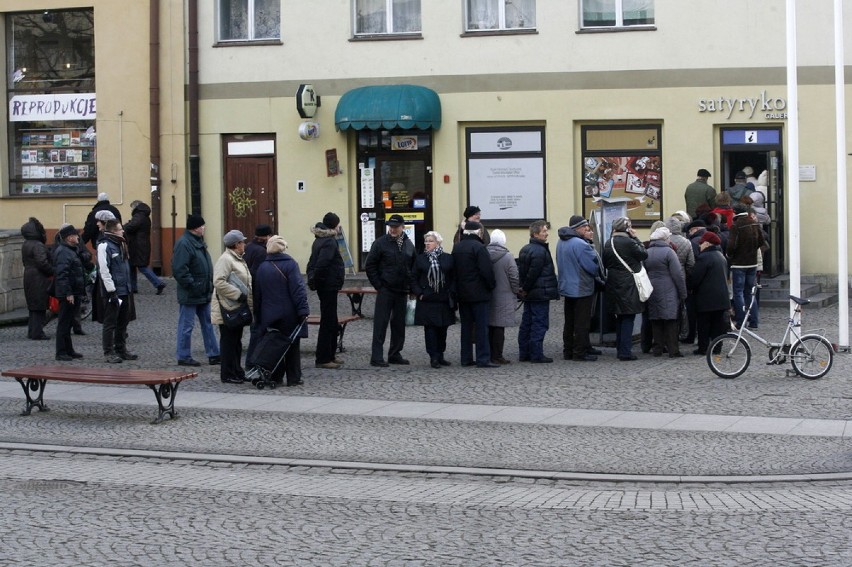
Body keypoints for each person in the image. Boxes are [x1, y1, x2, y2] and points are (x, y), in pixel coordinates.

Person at [254, 235, 309, 386]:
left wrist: (258, 315)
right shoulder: (290, 264)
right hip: (288, 313)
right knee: (292, 345)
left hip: (269, 313)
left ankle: (275, 375)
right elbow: (298, 289)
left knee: (274, 345)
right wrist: (303, 309)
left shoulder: (262, 267)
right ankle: (294, 377)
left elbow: (257, 294)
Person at [365, 214, 416, 367]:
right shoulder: (380, 243)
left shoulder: (408, 244)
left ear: (403, 227)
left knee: (399, 324)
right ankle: (377, 357)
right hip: (386, 289)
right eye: (391, 226)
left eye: (396, 227)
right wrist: (379, 285)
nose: (393, 229)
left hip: (402, 290)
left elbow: (412, 266)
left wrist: (411, 287)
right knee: (380, 324)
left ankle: (395, 353)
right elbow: (370, 266)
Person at [171, 214, 220, 367]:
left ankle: (214, 353)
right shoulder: (184, 244)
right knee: (186, 326)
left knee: (208, 323)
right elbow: (180, 270)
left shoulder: (197, 242)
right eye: (203, 226)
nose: (204, 228)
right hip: (191, 292)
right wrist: (192, 285)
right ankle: (183, 355)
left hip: (202, 291)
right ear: (196, 228)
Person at [556, 215, 605, 362]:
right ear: (578, 228)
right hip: (581, 287)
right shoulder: (581, 244)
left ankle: (568, 351)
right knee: (582, 322)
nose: (588, 229)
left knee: (569, 321)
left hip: (567, 286)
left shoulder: (561, 241)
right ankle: (580, 352)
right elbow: (592, 266)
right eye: (585, 227)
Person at [453, 221, 497, 367]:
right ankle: (483, 358)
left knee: (466, 327)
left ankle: (466, 358)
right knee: (481, 327)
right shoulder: (479, 248)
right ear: (478, 233)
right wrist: (491, 286)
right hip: (479, 293)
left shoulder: (457, 247)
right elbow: (486, 271)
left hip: (462, 293)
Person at [602, 217, 647, 361]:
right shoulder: (629, 242)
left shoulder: (609, 243)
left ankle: (620, 348)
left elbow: (605, 262)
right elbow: (643, 254)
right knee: (628, 316)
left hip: (613, 282)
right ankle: (625, 351)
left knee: (620, 316)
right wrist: (636, 238)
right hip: (628, 283)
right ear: (627, 228)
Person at [211, 230, 253, 384]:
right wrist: (238, 294)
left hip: (236, 307)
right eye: (242, 242)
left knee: (236, 342)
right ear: (236, 244)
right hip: (228, 307)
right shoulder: (226, 259)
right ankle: (227, 373)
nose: (244, 244)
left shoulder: (237, 259)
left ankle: (237, 371)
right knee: (229, 342)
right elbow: (219, 281)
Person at [94, 219, 137, 363]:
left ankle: (121, 349)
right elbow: (104, 271)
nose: (122, 231)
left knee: (123, 322)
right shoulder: (104, 246)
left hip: (125, 289)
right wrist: (111, 291)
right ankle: (108, 352)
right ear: (113, 231)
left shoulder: (121, 244)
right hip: (113, 291)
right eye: (120, 229)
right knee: (110, 322)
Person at [411, 231, 456, 368]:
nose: (427, 244)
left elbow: (454, 277)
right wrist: (420, 293)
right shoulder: (420, 259)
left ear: (438, 243)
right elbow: (413, 278)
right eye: (426, 241)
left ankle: (441, 354)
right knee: (430, 330)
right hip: (427, 300)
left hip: (443, 299)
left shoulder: (448, 258)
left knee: (443, 329)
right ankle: (433, 357)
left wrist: (452, 292)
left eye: (430, 241)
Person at [306, 213, 345, 369]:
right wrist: (319, 282)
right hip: (328, 285)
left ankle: (330, 354)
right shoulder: (329, 242)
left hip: (326, 285)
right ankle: (323, 358)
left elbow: (313, 263)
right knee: (328, 321)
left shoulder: (320, 239)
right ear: (334, 225)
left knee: (331, 320)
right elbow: (322, 264)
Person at [517, 220, 559, 363]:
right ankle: (536, 354)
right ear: (536, 234)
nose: (547, 234)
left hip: (531, 293)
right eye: (544, 231)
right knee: (539, 323)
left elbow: (522, 272)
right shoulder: (540, 251)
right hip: (540, 293)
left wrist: (523, 289)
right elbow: (532, 274)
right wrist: (526, 289)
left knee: (527, 323)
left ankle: (524, 353)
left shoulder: (525, 248)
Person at [644, 227, 687, 358]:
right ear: (665, 239)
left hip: (651, 288)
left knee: (655, 319)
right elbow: (677, 274)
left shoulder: (647, 252)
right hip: (668, 289)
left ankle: (657, 349)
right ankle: (673, 350)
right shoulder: (669, 252)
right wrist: (683, 292)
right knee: (670, 320)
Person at [688, 231, 730, 355]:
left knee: (703, 325)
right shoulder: (720, 256)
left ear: (706, 243)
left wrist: (689, 285)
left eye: (701, 244)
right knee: (718, 325)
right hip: (721, 298)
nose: (700, 246)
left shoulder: (704, 258)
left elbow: (696, 278)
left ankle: (703, 348)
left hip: (706, 298)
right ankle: (717, 347)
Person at [727, 204, 767, 329]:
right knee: (749, 292)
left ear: (735, 212)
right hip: (753, 263)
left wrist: (730, 255)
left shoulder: (736, 226)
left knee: (738, 293)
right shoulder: (754, 223)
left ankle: (740, 321)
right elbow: (761, 242)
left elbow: (732, 246)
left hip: (739, 263)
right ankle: (754, 321)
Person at [52, 225, 86, 361]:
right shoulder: (64, 252)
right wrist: (68, 293)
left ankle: (69, 350)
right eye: (76, 235)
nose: (78, 237)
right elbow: (62, 275)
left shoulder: (71, 250)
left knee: (69, 322)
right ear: (69, 238)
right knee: (64, 323)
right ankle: (61, 352)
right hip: (68, 293)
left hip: (74, 291)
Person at [485, 229, 519, 365]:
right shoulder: (507, 256)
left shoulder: (484, 254)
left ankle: (488, 353)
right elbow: (514, 276)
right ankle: (497, 355)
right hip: (504, 295)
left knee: (489, 326)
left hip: (488, 294)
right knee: (499, 327)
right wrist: (516, 290)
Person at [242, 223, 273, 366]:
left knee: (256, 329)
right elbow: (258, 275)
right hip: (257, 295)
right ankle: (253, 361)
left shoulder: (248, 247)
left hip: (249, 292)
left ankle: (252, 360)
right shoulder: (261, 252)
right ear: (267, 236)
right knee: (258, 330)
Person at [123, 200, 166, 295]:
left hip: (137, 246)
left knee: (141, 267)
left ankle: (158, 283)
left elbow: (131, 227)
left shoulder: (138, 216)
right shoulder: (144, 216)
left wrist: (125, 225)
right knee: (132, 266)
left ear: (135, 207)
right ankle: (133, 287)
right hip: (141, 245)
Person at [21, 217, 53, 340]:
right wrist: (52, 271)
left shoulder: (26, 244)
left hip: (29, 275)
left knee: (33, 306)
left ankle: (33, 331)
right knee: (39, 305)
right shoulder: (38, 245)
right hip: (38, 277)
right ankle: (37, 332)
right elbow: (42, 262)